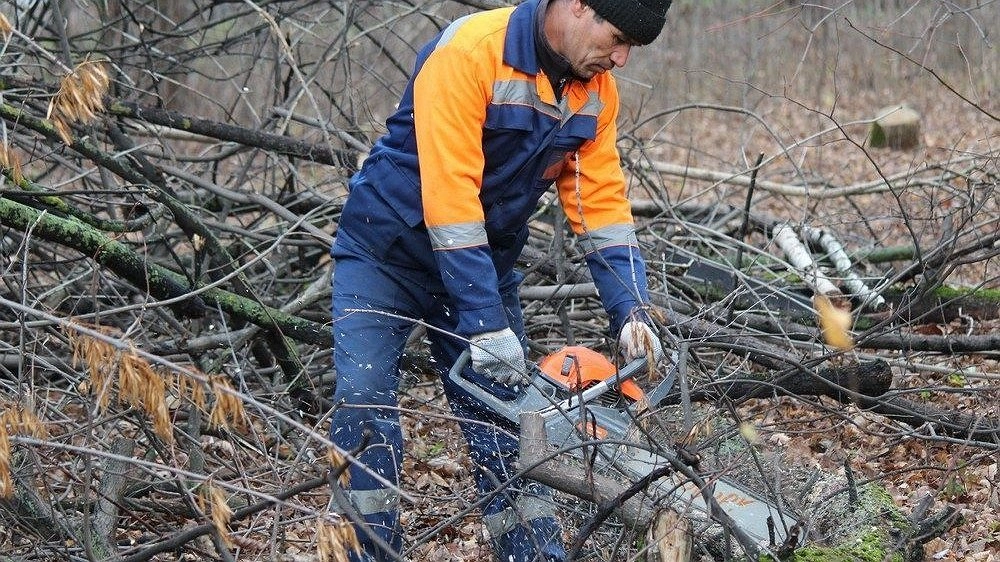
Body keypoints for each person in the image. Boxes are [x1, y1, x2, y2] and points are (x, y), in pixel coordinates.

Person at [329, 0, 671, 559]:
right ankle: (367, 549)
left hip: (481, 262)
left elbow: (600, 204)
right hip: (386, 252)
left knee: (508, 415)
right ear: (579, 6)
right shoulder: (470, 52)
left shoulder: (594, 93)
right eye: (617, 38)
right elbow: (451, 195)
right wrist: (486, 324)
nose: (623, 58)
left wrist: (632, 309)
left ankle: (534, 551)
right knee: (364, 396)